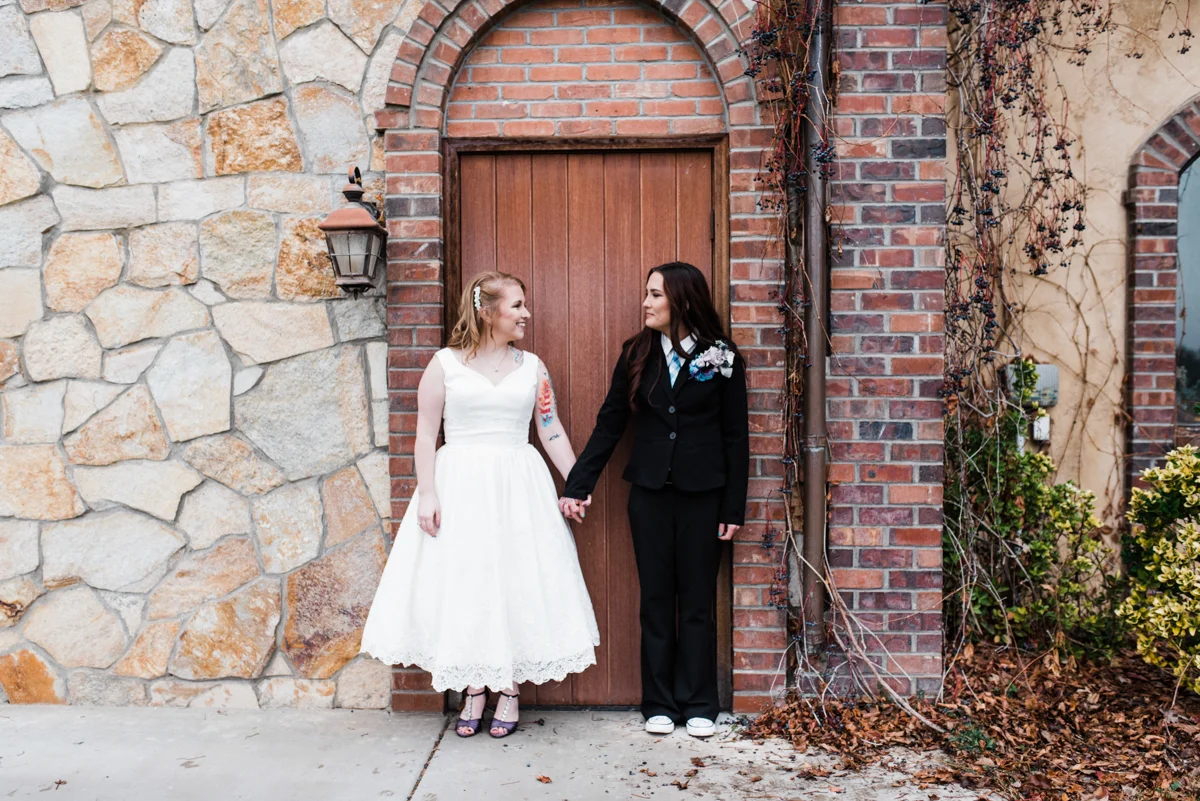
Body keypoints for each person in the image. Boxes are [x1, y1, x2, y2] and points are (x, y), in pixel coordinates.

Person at [360, 271, 599, 739]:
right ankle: (474, 687)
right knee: (468, 582)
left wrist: (577, 481)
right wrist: (426, 493)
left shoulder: (533, 367)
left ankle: (507, 689)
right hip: (460, 486)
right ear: (488, 312)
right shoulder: (444, 364)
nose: (526, 313)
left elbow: (549, 429)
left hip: (518, 486)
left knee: (512, 580)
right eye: (517, 305)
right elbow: (426, 433)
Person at [559, 261, 749, 739]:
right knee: (657, 600)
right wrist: (579, 484)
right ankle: (659, 702)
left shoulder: (722, 357)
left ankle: (701, 702)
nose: (646, 303)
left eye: (655, 295)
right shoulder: (636, 353)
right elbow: (610, 424)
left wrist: (733, 507)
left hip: (704, 498)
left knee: (698, 603)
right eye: (647, 294)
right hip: (648, 496)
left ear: (682, 300)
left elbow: (735, 438)